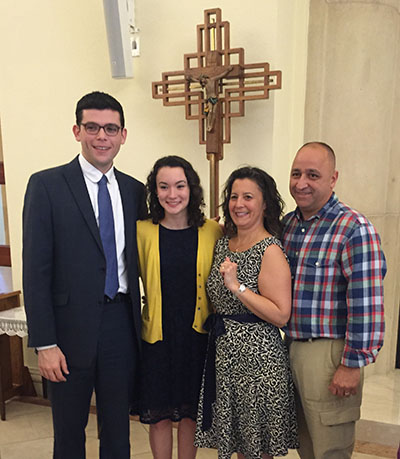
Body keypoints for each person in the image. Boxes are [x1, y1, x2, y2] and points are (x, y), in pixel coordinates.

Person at [23, 91, 146, 458]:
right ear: (77, 131)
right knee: (69, 434)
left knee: (117, 432)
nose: (101, 137)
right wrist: (44, 344)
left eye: (110, 128)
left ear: (123, 135)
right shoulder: (46, 186)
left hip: (120, 325)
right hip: (67, 331)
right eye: (92, 127)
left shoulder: (134, 191)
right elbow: (36, 271)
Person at [282, 141, 386, 459]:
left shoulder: (354, 229)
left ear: (333, 178)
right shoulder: (288, 225)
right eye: (296, 173)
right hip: (291, 346)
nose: (302, 183)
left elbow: (366, 302)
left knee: (331, 447)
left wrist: (351, 365)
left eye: (313, 175)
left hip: (330, 353)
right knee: (306, 443)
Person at [194, 166, 298, 459]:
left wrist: (238, 287)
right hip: (226, 355)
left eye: (248, 197)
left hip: (258, 361)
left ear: (265, 204)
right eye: (234, 196)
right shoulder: (224, 244)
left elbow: (281, 315)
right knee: (239, 445)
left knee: (257, 448)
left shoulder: (270, 250)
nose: (239, 204)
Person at [135, 156, 222, 458]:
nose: (172, 194)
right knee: (158, 414)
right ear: (155, 191)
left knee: (190, 414)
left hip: (197, 337)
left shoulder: (213, 230)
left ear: (191, 188)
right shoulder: (142, 231)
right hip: (158, 336)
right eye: (164, 187)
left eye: (180, 185)